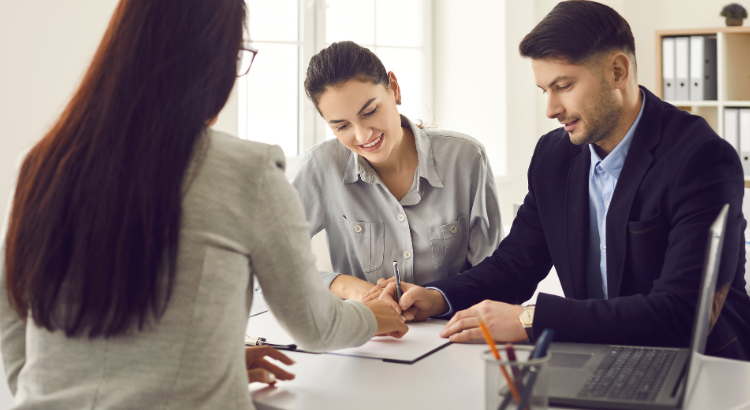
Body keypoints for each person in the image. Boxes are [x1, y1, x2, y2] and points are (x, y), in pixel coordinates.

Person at [0, 1, 407, 408]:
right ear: (211, 60)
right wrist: (374, 316)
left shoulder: (41, 161)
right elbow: (317, 327)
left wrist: (38, 387)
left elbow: (13, 308)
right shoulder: (249, 169)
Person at [376, 0, 750, 360]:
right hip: (595, 356)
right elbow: (515, 265)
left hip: (700, 366)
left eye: (564, 86)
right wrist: (437, 296)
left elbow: (682, 312)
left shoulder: (701, 159)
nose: (551, 109)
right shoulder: (554, 156)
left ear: (618, 71)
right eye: (545, 91)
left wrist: (530, 319)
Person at [293, 41, 503, 301]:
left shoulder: (466, 158)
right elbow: (267, 262)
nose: (363, 135)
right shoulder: (321, 167)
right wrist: (344, 285)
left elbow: (495, 275)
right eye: (342, 127)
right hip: (367, 335)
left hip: (454, 332)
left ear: (394, 88)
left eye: (370, 111)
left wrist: (440, 299)